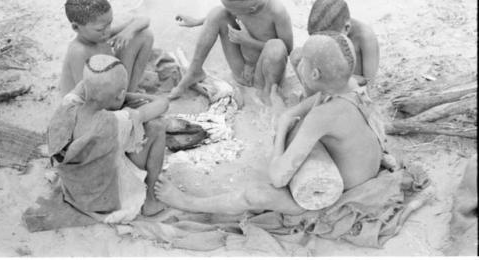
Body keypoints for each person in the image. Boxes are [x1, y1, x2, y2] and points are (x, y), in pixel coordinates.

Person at [154, 32, 386, 215]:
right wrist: (286, 114)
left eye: (303, 63)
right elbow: (305, 106)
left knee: (256, 195)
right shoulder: (350, 86)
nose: (299, 64)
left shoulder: (323, 115)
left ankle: (187, 202)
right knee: (297, 124)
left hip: (333, 191)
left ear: (314, 74)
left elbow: (278, 177)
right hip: (363, 170)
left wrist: (281, 130)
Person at [48, 54, 169, 220]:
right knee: (157, 127)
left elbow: (85, 85)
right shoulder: (115, 121)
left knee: (122, 136)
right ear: (120, 94)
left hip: (77, 191)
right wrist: (142, 96)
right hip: (105, 201)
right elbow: (163, 104)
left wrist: (120, 94)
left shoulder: (69, 103)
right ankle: (151, 202)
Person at [168, 0, 294, 104]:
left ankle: (268, 93)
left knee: (276, 46)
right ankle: (194, 71)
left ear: (251, 9)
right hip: (242, 69)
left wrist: (248, 41)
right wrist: (197, 22)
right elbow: (224, 13)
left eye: (233, 10)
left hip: (264, 75)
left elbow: (286, 49)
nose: (230, 12)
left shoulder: (277, 11)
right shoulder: (243, 6)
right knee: (217, 13)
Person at [59, 0, 154, 98]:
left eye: (109, 24)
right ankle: (125, 99)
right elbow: (86, 94)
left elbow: (143, 20)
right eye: (100, 29)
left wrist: (128, 32)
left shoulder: (100, 36)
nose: (107, 31)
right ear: (76, 27)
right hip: (93, 102)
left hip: (113, 90)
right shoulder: (79, 51)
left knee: (145, 35)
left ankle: (129, 94)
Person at [292, 0, 379, 87]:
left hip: (351, 89)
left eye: (327, 40)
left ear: (346, 28)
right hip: (329, 81)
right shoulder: (325, 30)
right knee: (296, 56)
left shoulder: (365, 37)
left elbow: (369, 85)